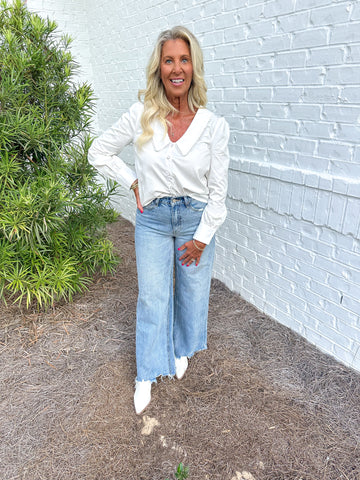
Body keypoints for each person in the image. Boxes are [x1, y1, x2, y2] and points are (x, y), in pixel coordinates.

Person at [88, 26, 230, 415]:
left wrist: (202, 237)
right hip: (152, 219)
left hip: (194, 219)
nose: (176, 68)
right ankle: (147, 372)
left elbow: (218, 193)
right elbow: (98, 151)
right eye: (169, 60)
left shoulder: (213, 126)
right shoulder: (140, 116)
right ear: (159, 68)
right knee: (153, 296)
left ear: (193, 68)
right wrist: (132, 181)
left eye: (184, 59)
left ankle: (182, 348)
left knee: (192, 291)